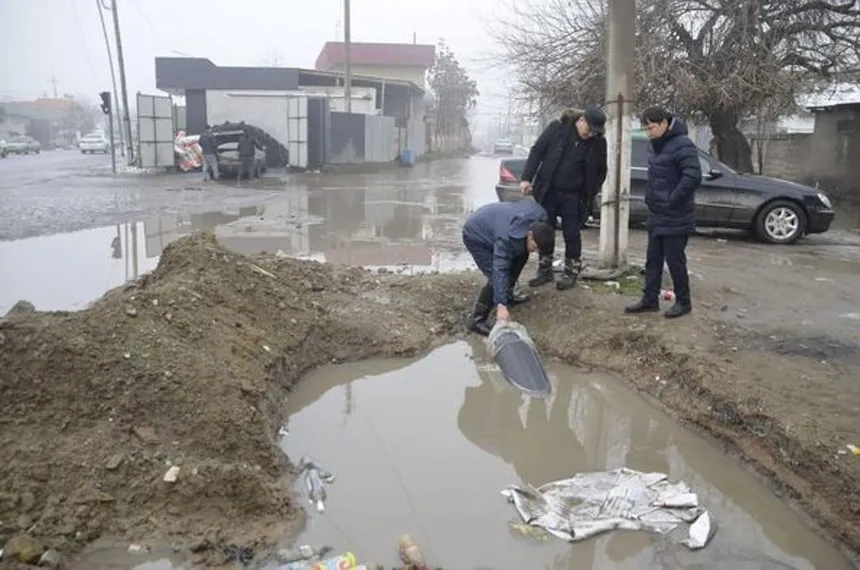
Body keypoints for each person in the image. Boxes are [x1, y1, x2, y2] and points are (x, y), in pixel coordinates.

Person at [625, 106, 702, 319]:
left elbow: (693, 176)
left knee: (675, 260)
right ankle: (650, 299)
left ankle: (683, 302)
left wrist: (672, 200)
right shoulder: (655, 145)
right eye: (646, 128)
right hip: (657, 213)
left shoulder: (683, 144)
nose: (648, 132)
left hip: (676, 214)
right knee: (653, 259)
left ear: (664, 124)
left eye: (651, 127)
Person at [520, 106, 608, 290]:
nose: (591, 134)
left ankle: (570, 272)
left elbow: (601, 170)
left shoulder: (598, 142)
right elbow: (537, 152)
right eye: (589, 129)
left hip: (575, 195)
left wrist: (592, 189)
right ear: (581, 121)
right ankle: (544, 270)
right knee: (545, 230)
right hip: (549, 190)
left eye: (595, 132)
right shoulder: (557, 129)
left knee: (572, 233)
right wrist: (527, 178)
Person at [462, 200, 556, 336]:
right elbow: (500, 270)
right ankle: (477, 319)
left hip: (497, 221)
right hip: (477, 234)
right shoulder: (507, 239)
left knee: (522, 256)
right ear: (530, 235)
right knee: (496, 277)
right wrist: (501, 305)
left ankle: (508, 294)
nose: (535, 251)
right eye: (535, 247)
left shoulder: (541, 219)